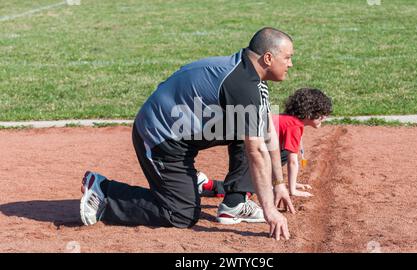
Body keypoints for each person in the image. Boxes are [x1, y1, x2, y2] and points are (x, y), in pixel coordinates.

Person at [80, 27, 295, 240]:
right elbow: (256, 149)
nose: (290, 64)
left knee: (249, 129)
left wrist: (279, 185)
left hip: (183, 132)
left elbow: (266, 131)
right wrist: (270, 210)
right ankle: (105, 192)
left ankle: (235, 202)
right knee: (181, 214)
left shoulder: (252, 77)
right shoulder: (241, 84)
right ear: (268, 58)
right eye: (287, 58)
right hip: (159, 137)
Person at [201, 88, 333, 198]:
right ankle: (210, 186)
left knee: (275, 160)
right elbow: (293, 160)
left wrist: (291, 183)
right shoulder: (294, 125)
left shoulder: (289, 120)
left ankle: (207, 185)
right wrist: (293, 190)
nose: (325, 117)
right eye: (322, 114)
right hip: (247, 145)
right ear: (309, 113)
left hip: (247, 141)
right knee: (248, 187)